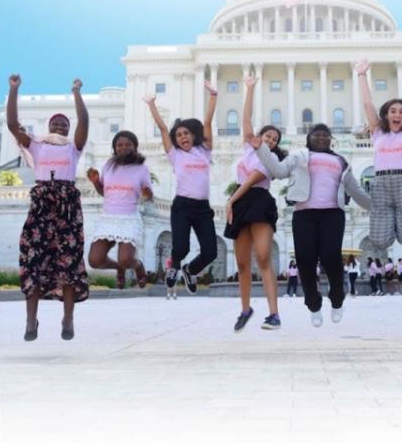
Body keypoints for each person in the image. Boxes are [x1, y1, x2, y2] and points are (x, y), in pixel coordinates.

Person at [254, 123, 372, 326]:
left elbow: (356, 190)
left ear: (330, 140)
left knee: (331, 257)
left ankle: (337, 299)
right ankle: (313, 304)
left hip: (333, 214)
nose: (322, 138)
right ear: (309, 138)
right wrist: (261, 149)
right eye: (317, 135)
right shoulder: (299, 155)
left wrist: (379, 207)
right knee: (305, 260)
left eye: (326, 135)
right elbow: (279, 171)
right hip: (304, 214)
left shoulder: (340, 160)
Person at [6, 74, 90, 341]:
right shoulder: (37, 144)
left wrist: (76, 93)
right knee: (34, 259)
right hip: (42, 205)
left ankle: (68, 318)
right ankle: (31, 321)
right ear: (48, 126)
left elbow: (84, 122)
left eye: (64, 124)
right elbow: (11, 124)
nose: (60, 126)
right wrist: (14, 89)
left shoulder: (73, 148)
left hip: (67, 205)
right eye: (56, 123)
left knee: (69, 261)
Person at [223, 74, 283, 331]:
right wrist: (249, 89)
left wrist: (230, 201)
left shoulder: (272, 161)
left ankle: (274, 314)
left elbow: (251, 181)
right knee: (242, 263)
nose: (269, 140)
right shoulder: (249, 149)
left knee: (263, 256)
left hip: (257, 200)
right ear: (259, 136)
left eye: (274, 139)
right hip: (240, 201)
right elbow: (246, 119)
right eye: (267, 136)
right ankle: (245, 309)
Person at [146, 83, 218, 296]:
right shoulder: (175, 155)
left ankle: (190, 270)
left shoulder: (204, 151)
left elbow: (207, 122)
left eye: (186, 133)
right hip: (182, 206)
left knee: (210, 252)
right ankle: (174, 266)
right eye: (179, 135)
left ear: (193, 135)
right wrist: (151, 105)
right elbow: (162, 128)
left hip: (203, 208)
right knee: (182, 248)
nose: (183, 137)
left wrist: (213, 95)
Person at [356, 59, 402, 266]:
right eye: (393, 111)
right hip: (381, 183)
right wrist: (361, 75)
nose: (397, 114)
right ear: (386, 115)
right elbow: (368, 104)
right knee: (379, 240)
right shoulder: (378, 132)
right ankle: (393, 223)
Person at [86, 131, 153, 289]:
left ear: (135, 147)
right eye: (120, 145)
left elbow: (149, 195)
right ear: (114, 148)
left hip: (129, 218)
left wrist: (146, 193)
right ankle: (118, 268)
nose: (124, 147)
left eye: (128, 144)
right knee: (95, 260)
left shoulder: (141, 169)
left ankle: (138, 267)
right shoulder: (108, 165)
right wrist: (96, 182)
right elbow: (104, 192)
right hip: (108, 218)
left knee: (126, 259)